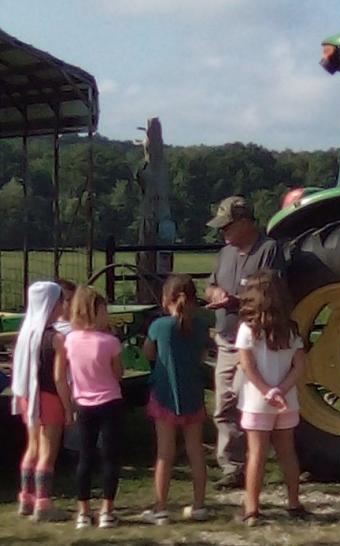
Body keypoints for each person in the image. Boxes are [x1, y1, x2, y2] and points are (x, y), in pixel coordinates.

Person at [205, 195, 285, 489]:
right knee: (224, 404)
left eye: (227, 226)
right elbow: (210, 285)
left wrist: (236, 301)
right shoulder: (225, 254)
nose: (222, 232)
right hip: (226, 339)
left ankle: (258, 461)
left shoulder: (269, 250)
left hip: (255, 340)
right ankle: (232, 467)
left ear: (245, 222)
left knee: (247, 399)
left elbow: (271, 293)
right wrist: (215, 295)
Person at [234, 271, 306, 526]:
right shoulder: (291, 328)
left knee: (256, 455)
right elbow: (299, 366)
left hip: (257, 401)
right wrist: (281, 390)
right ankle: (294, 502)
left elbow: (247, 366)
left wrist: (267, 391)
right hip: (286, 401)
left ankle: (252, 509)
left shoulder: (247, 329)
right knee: (288, 453)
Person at [140, 274, 211, 525]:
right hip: (193, 394)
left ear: (165, 299)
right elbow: (203, 357)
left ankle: (160, 508)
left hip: (164, 394)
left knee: (165, 453)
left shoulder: (159, 327)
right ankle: (200, 505)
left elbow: (149, 352)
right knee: (196, 452)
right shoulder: (201, 326)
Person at [62, 286, 124, 529]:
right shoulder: (109, 342)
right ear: (95, 312)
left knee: (85, 457)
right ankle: (107, 509)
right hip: (109, 401)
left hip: (83, 403)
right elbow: (118, 373)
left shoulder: (70, 340)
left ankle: (83, 511)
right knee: (110, 457)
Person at [10, 281, 72, 522]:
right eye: (60, 301)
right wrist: (69, 408)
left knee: (32, 447)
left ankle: (26, 497)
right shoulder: (56, 339)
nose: (62, 306)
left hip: (28, 398)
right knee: (48, 452)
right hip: (49, 399)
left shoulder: (25, 334)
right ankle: (44, 503)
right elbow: (59, 378)